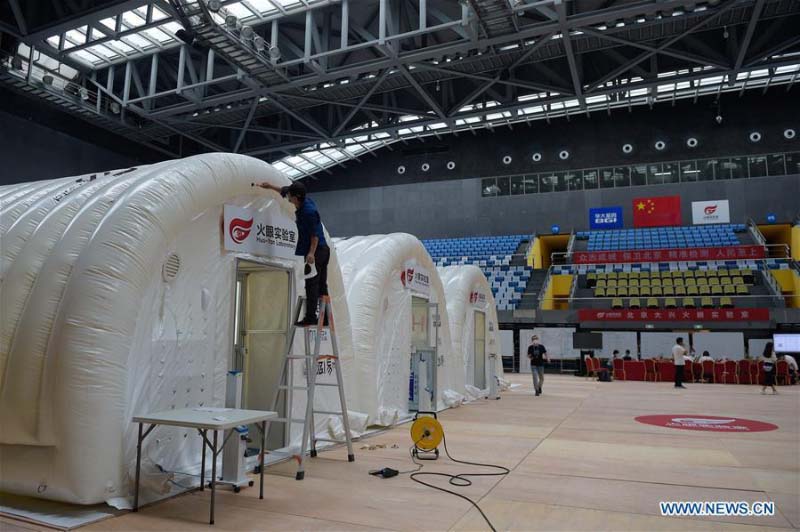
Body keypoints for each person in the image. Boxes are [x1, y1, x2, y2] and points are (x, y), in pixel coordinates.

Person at [257, 180, 329, 326]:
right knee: (321, 285)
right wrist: (270, 186)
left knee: (312, 284)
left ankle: (310, 317)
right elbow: (283, 190)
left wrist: (310, 254)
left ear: (296, 197)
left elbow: (314, 235)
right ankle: (325, 318)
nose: (287, 196)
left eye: (290, 195)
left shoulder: (309, 212)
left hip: (317, 250)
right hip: (320, 249)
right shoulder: (302, 200)